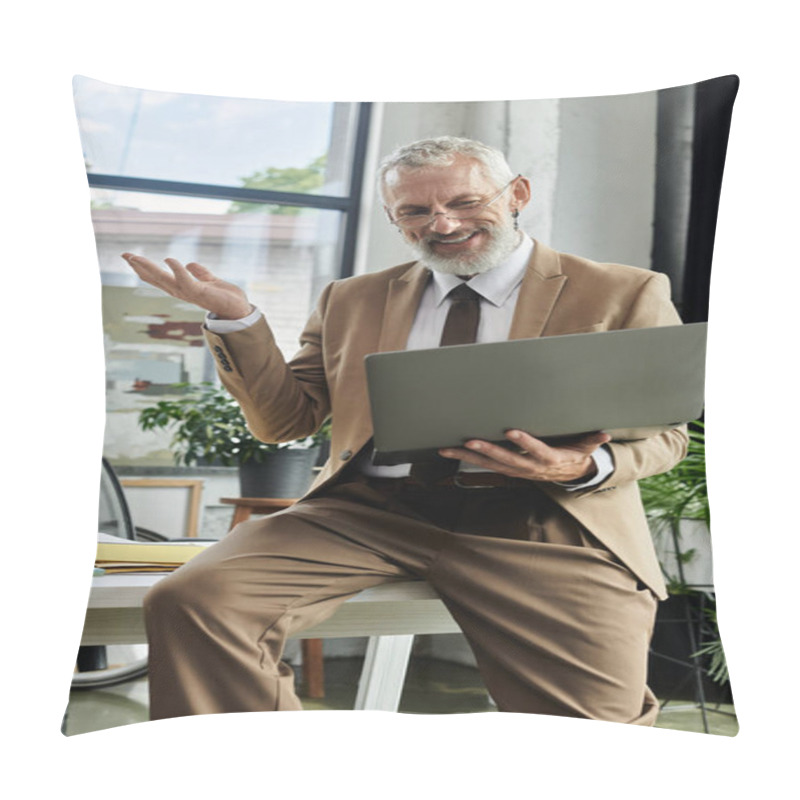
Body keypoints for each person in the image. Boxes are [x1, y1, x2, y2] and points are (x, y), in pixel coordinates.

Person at [123, 136, 687, 724]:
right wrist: (238, 320)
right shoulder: (351, 298)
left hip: (539, 520)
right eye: (415, 212)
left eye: (465, 202)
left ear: (517, 193)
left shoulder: (622, 292)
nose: (442, 224)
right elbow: (284, 421)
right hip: (368, 513)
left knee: (597, 727)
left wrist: (578, 466)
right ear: (395, 221)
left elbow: (668, 434)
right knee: (193, 600)